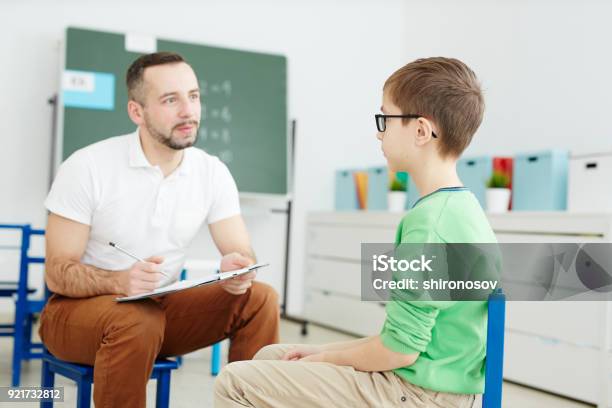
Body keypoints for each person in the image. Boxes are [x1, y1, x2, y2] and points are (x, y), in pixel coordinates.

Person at [214, 57, 495, 408]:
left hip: (419, 395)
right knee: (273, 354)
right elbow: (402, 340)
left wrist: (323, 360)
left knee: (235, 381)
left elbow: (399, 351)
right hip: (437, 387)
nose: (379, 132)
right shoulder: (461, 210)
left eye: (386, 119)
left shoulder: (429, 225)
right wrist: (320, 350)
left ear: (421, 131)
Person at [39, 52, 279, 408]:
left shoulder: (211, 172)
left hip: (156, 313)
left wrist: (238, 268)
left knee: (260, 298)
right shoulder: (88, 166)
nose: (188, 111)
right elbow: (57, 273)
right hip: (74, 314)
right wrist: (118, 281)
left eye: (193, 96)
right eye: (171, 100)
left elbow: (242, 252)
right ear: (137, 112)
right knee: (138, 319)